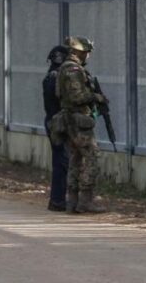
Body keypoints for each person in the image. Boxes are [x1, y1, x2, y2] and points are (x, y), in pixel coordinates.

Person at [54, 36, 108, 213]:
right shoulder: (73, 70)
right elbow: (77, 96)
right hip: (78, 120)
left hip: (71, 120)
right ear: (78, 52)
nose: (87, 56)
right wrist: (95, 97)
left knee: (75, 159)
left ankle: (72, 201)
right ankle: (85, 200)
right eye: (86, 52)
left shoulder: (65, 68)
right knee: (92, 157)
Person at [43, 45, 69, 212]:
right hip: (58, 123)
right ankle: (58, 200)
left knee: (60, 161)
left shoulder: (50, 76)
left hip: (53, 121)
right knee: (62, 161)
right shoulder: (56, 78)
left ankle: (58, 199)